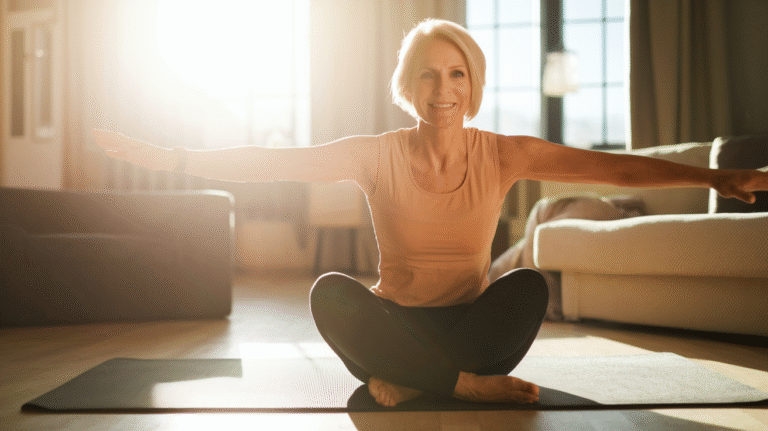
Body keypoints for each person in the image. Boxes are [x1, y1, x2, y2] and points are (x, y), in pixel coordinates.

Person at [93, 19, 768, 407]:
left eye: (456, 74)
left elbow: (613, 168)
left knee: (529, 284)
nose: (442, 89)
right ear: (408, 86)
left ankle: (422, 381)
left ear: (472, 85)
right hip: (396, 324)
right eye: (427, 73)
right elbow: (272, 163)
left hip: (472, 328)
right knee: (329, 293)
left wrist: (713, 176)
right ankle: (461, 385)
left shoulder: (501, 153)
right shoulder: (375, 154)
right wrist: (169, 156)